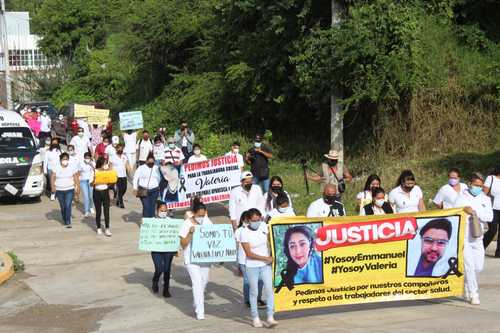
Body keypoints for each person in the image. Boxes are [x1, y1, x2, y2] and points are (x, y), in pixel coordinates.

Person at [454, 173, 493, 305]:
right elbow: (453, 212)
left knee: (478, 267)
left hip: (478, 237)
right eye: (476, 185)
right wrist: (463, 209)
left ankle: (466, 285)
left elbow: (490, 217)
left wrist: (475, 212)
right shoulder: (461, 197)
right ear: (470, 184)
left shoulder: (485, 199)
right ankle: (474, 293)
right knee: (469, 266)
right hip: (464, 237)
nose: (478, 188)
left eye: (481, 186)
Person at [240, 208, 278, 328]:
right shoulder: (243, 232)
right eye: (253, 220)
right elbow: (248, 254)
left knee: (269, 289)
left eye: (258, 219)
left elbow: (271, 240)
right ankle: (255, 317)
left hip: (265, 265)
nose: (256, 222)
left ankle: (270, 316)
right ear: (248, 220)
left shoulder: (263, 226)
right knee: (254, 291)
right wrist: (265, 258)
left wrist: (272, 254)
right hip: (252, 266)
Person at [179, 198, 212, 320]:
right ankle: (200, 311)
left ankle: (197, 301)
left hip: (204, 258)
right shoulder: (187, 223)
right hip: (191, 259)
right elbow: (183, 244)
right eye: (199, 215)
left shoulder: (207, 221)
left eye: (203, 215)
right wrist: (190, 233)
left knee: (204, 281)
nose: (201, 217)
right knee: (197, 282)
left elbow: (214, 238)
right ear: (193, 213)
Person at [234, 211, 264, 308]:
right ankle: (248, 300)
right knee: (248, 281)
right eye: (247, 220)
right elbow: (237, 247)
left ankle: (258, 298)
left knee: (260, 280)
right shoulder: (239, 231)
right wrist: (238, 264)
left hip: (256, 260)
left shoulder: (256, 230)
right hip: (244, 261)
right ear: (244, 220)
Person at [149, 202, 177, 298]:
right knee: (159, 268)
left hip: (168, 249)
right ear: (157, 211)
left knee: (167, 269)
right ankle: (155, 280)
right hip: (156, 250)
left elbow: (175, 234)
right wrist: (143, 224)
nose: (164, 212)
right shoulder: (152, 221)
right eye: (162, 210)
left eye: (165, 211)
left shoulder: (170, 221)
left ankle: (166, 289)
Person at [50, 152, 79, 228]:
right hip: (59, 190)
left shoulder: (72, 167)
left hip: (70, 189)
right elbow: (52, 177)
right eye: (63, 159)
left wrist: (77, 187)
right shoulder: (56, 167)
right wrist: (52, 186)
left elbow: (76, 177)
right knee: (62, 206)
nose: (65, 161)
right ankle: (64, 217)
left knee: (68, 205)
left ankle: (68, 221)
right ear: (60, 160)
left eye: (66, 159)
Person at [92, 156, 116, 236]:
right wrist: (94, 180)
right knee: (98, 211)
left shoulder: (108, 171)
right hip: (97, 192)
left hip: (105, 192)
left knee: (106, 211)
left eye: (107, 164)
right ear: (101, 164)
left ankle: (107, 228)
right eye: (105, 164)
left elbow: (112, 181)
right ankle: (98, 227)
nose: (106, 165)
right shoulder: (94, 171)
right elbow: (91, 184)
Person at [133, 153, 161, 218]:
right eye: (149, 162)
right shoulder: (141, 168)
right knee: (146, 206)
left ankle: (151, 220)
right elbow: (135, 178)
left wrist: (156, 185)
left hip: (154, 190)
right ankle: (146, 222)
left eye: (152, 162)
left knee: (152, 206)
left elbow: (159, 178)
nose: (151, 163)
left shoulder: (156, 168)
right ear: (146, 161)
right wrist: (135, 188)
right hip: (143, 190)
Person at [483, 167, 500, 256]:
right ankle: (481, 248)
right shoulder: (491, 178)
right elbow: (484, 194)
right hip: (492, 208)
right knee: (492, 230)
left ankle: (498, 253)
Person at [111, 144, 129, 208]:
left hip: (124, 175)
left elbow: (127, 165)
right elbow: (110, 166)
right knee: (120, 189)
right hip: (117, 175)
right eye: (119, 149)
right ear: (116, 149)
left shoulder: (124, 156)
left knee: (124, 188)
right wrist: (111, 175)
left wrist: (129, 170)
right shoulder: (113, 157)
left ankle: (118, 198)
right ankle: (121, 203)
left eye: (121, 149)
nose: (120, 150)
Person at [79, 152, 95, 217]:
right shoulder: (81, 163)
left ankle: (91, 206)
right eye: (86, 158)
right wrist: (77, 183)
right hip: (83, 181)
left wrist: (91, 164)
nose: (87, 159)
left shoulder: (93, 163)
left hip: (91, 181)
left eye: (88, 158)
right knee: (86, 196)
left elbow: (96, 171)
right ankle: (86, 211)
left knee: (91, 196)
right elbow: (78, 172)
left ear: (90, 158)